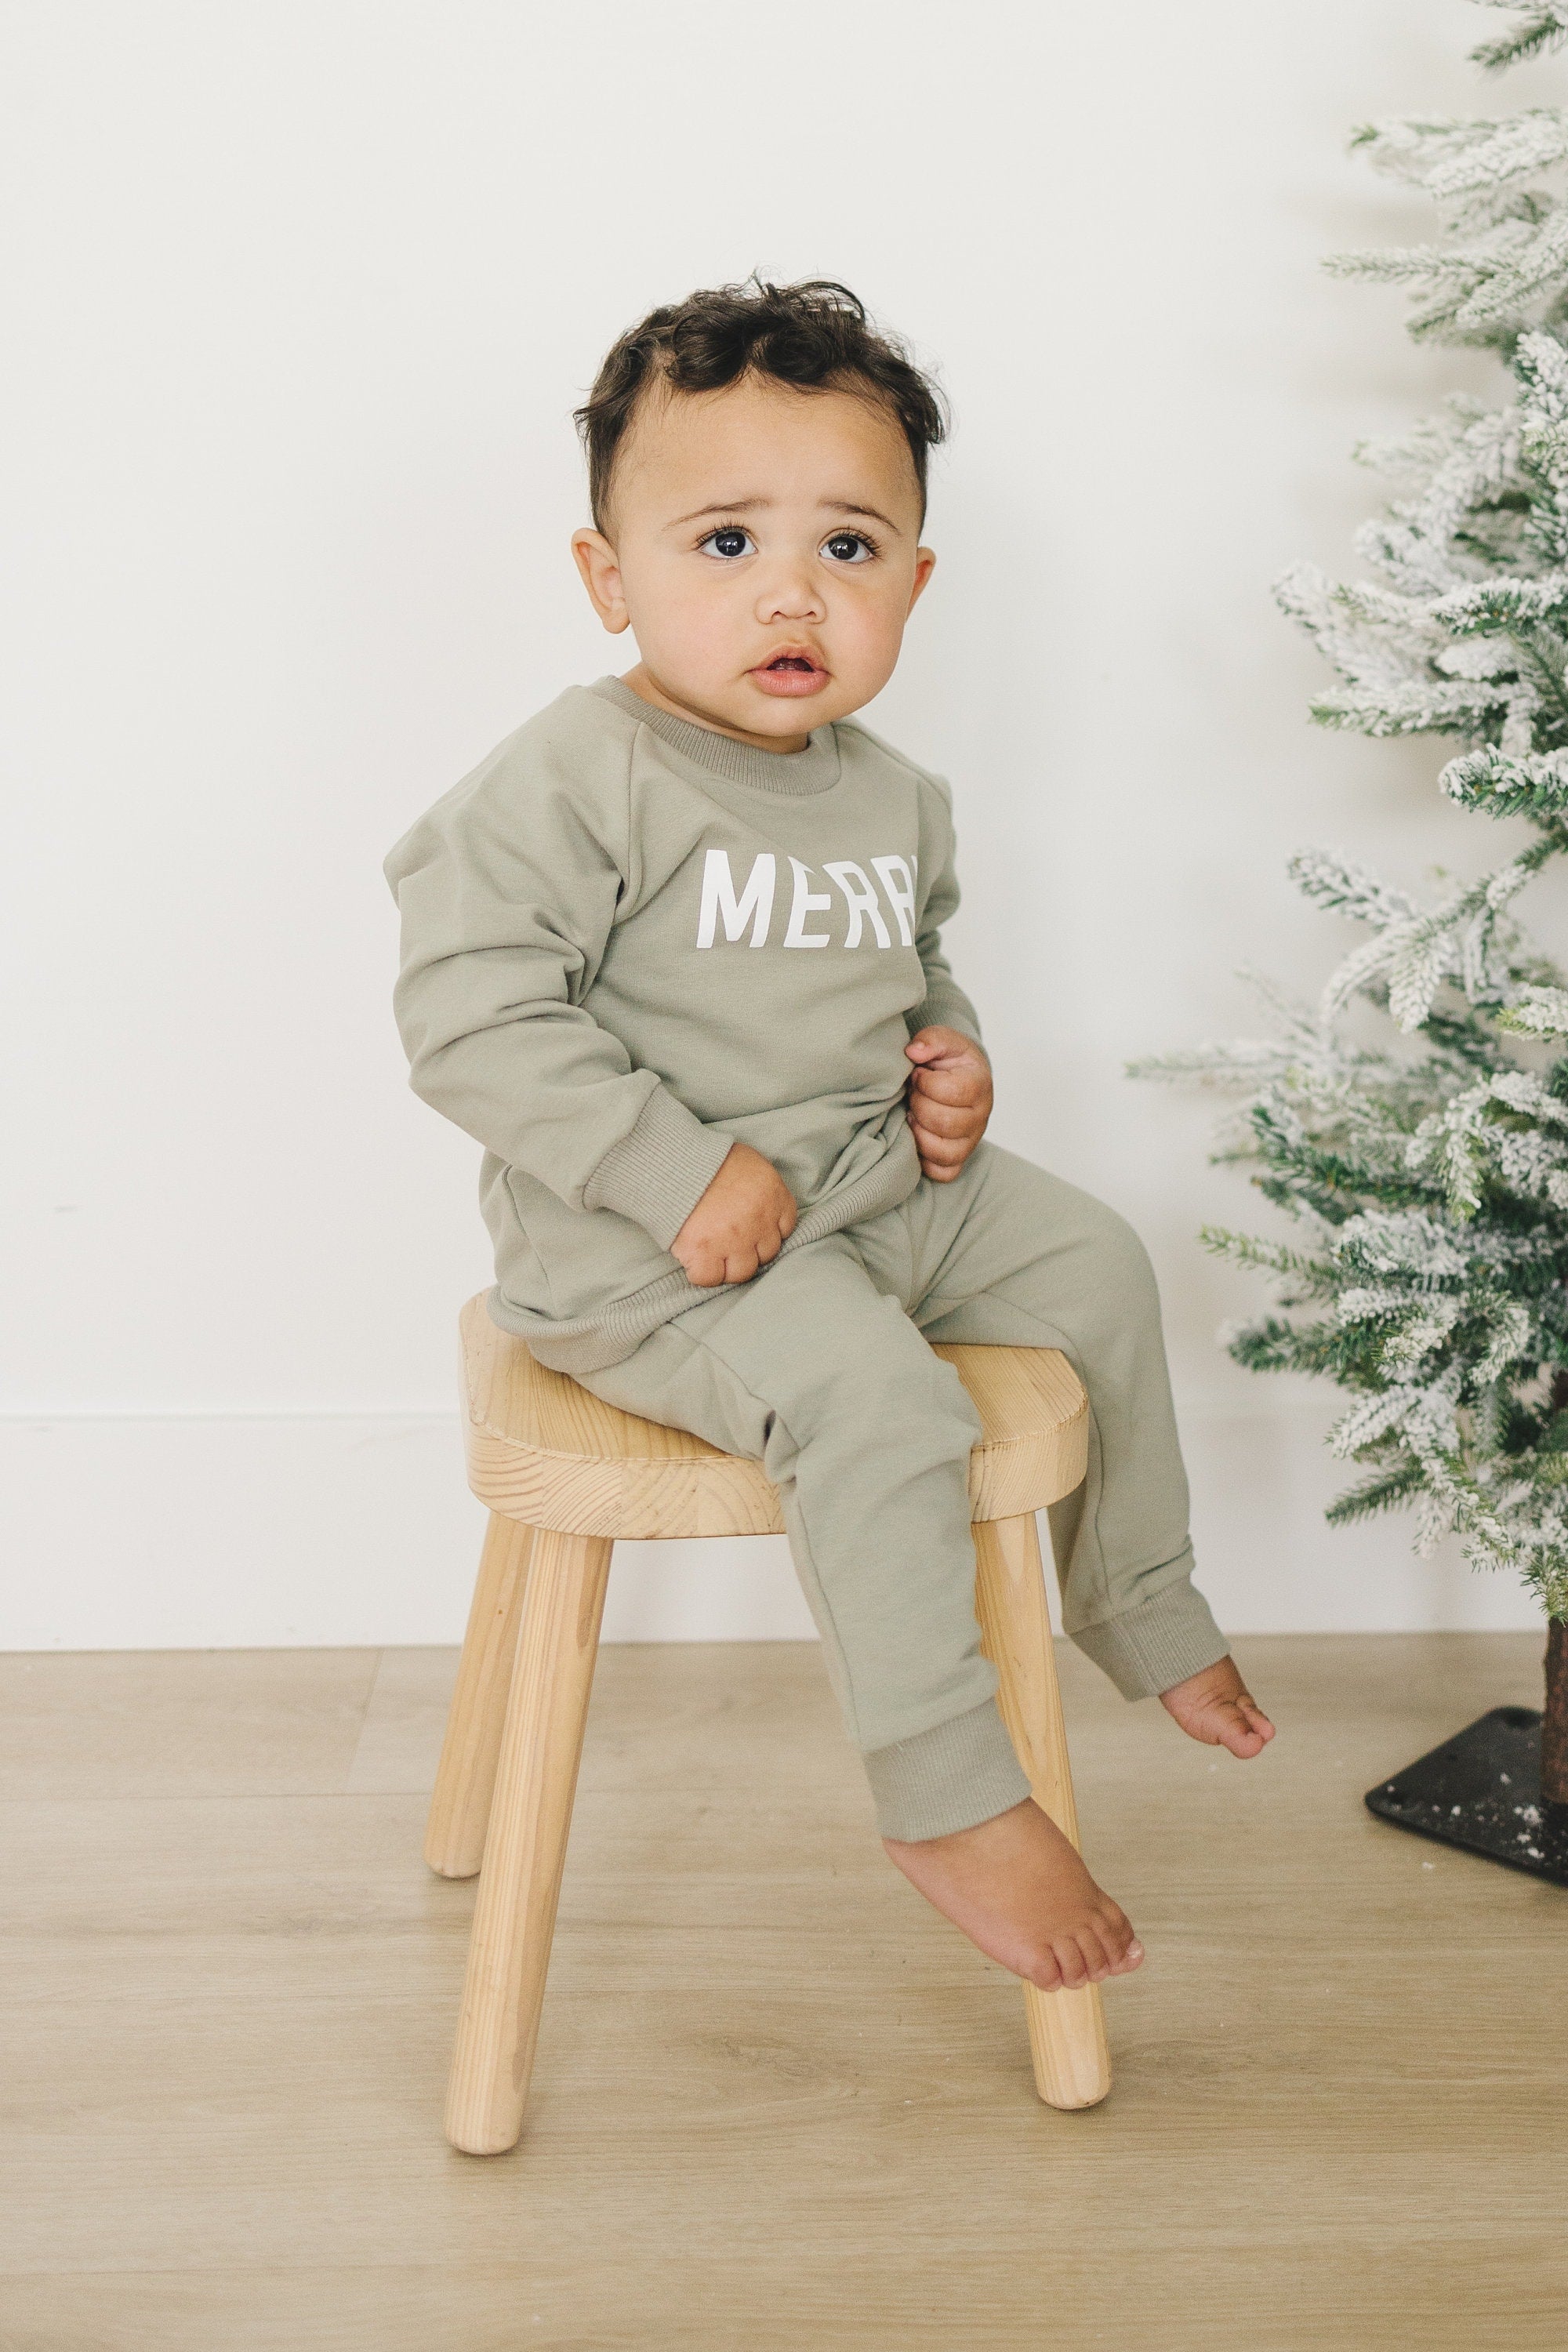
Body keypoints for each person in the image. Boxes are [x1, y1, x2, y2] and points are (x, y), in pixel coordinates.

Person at [383, 278, 1274, 1995]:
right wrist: (673, 1170)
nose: (792, 591)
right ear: (608, 577)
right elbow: (471, 1017)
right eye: (725, 542)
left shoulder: (892, 793)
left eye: (848, 548)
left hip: (878, 1190)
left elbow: (910, 972)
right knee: (882, 1402)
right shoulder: (573, 775)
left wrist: (954, 1063)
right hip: (657, 1256)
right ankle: (944, 1790)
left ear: (913, 585)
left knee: (1099, 1261)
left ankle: (1138, 1601)